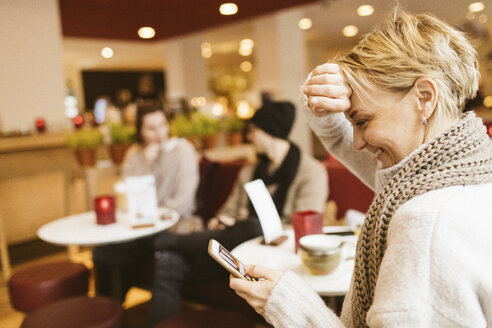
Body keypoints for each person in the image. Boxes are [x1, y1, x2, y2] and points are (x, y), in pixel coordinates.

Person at [230, 9, 492, 327]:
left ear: (424, 97)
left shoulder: (426, 221)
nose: (356, 144)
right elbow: (336, 134)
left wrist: (287, 304)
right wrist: (326, 87)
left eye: (363, 120)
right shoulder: (457, 172)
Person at [148, 101, 328, 325]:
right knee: (169, 262)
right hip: (232, 254)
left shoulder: (311, 172)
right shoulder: (250, 170)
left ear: (268, 131)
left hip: (270, 257)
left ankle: (171, 240)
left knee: (254, 227)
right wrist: (221, 220)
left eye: (253, 131)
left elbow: (304, 225)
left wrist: (245, 225)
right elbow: (227, 210)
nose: (249, 137)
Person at [92, 102, 199, 301]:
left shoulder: (183, 151)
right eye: (151, 128)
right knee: (102, 252)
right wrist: (145, 163)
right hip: (141, 226)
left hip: (172, 225)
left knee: (118, 253)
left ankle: (112, 309)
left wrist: (154, 217)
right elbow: (128, 197)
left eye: (162, 125)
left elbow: (183, 202)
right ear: (140, 131)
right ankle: (107, 313)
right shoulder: (135, 154)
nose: (159, 133)